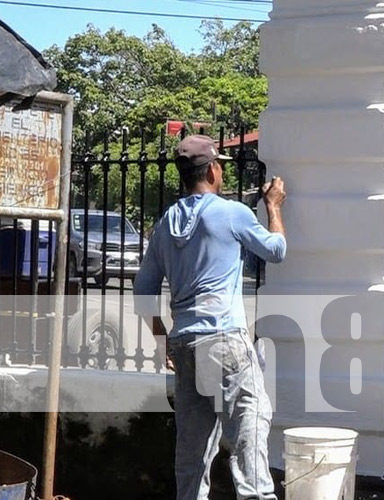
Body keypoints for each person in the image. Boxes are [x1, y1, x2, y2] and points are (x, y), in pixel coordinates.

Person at [133, 134, 286, 500]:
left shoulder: (166, 222)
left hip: (185, 345)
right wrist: (274, 207)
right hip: (224, 340)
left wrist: (162, 338)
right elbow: (277, 250)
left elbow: (142, 291)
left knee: (193, 453)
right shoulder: (231, 212)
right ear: (214, 170)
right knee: (249, 432)